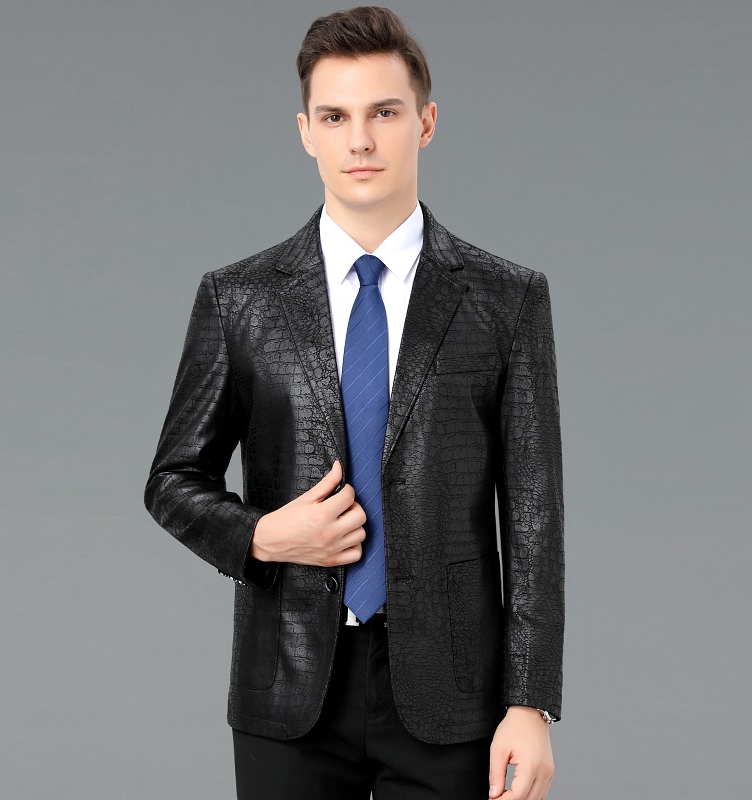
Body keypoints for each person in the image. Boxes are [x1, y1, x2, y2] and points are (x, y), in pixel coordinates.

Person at [144, 6, 564, 800]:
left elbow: (535, 518)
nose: (360, 140)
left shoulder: (505, 301)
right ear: (307, 131)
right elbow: (172, 480)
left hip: (455, 694)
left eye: (384, 113)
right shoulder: (240, 300)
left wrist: (530, 702)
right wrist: (262, 535)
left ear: (426, 123)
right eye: (336, 117)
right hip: (288, 684)